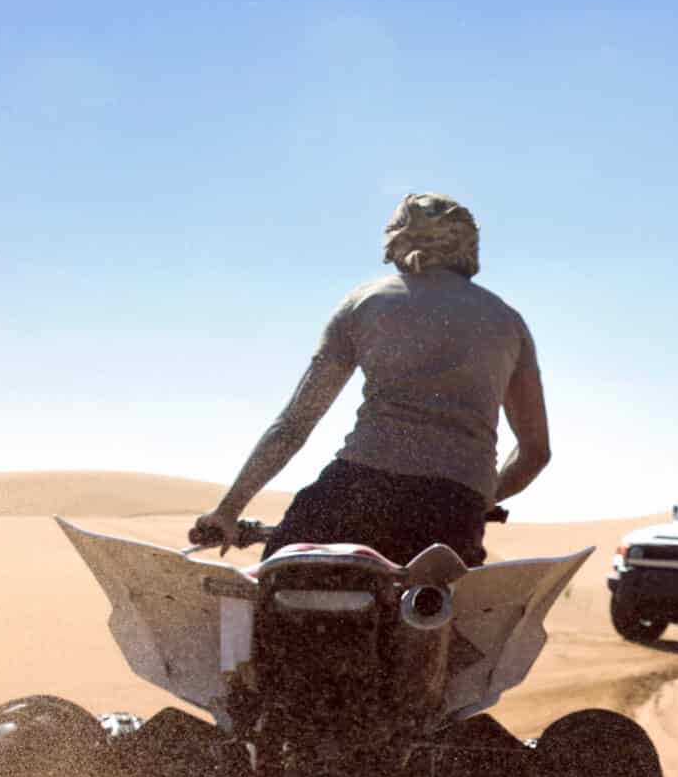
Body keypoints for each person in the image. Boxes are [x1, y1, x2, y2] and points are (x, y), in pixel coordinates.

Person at [192, 193, 550, 566]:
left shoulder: (365, 303)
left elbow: (294, 425)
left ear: (400, 239)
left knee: (282, 580)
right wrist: (478, 500)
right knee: (440, 613)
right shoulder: (509, 324)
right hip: (452, 509)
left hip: (358, 491)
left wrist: (229, 509)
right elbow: (535, 452)